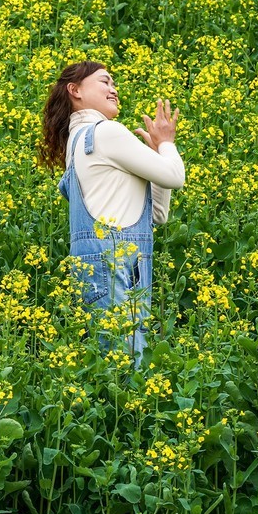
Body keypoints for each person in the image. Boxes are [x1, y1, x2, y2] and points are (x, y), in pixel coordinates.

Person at [39, 61, 185, 365]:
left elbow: (156, 214)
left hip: (94, 269)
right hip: (118, 266)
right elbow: (175, 176)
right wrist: (167, 144)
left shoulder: (77, 143)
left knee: (105, 370)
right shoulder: (106, 133)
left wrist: (156, 154)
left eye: (114, 83)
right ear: (75, 90)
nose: (113, 89)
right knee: (127, 369)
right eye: (105, 81)